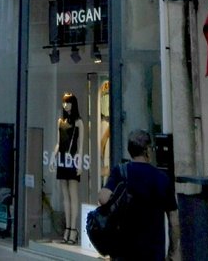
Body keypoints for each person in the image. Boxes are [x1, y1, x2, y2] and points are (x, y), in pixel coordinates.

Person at [98, 129, 180, 261]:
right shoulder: (162, 178)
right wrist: (173, 252)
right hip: (153, 253)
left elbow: (103, 198)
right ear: (147, 150)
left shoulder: (120, 172)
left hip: (123, 252)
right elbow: (174, 220)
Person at [55, 92, 83, 245]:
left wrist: (79, 163)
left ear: (74, 104)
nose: (66, 105)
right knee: (65, 196)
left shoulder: (78, 122)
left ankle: (73, 229)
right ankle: (68, 228)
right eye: (64, 102)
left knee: (73, 195)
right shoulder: (60, 121)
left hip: (72, 159)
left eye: (68, 102)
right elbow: (58, 143)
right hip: (62, 159)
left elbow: (80, 146)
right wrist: (54, 159)